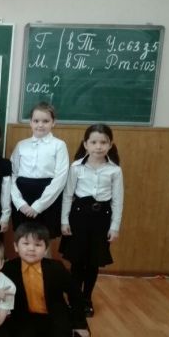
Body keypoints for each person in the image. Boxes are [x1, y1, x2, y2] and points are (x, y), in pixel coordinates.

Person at [3, 222, 90, 337]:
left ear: (46, 249)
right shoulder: (8, 269)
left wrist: (80, 325)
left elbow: (75, 294)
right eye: (26, 244)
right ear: (16, 247)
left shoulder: (56, 268)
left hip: (53, 317)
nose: (31, 249)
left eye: (38, 245)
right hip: (26, 318)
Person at [60, 123, 123, 317]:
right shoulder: (76, 167)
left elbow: (117, 200)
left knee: (93, 262)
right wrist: (64, 221)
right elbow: (68, 195)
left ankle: (87, 299)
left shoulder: (115, 170)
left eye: (103, 142)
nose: (98, 146)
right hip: (79, 217)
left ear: (110, 144)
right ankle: (74, 300)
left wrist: (114, 226)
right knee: (77, 262)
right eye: (94, 142)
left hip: (101, 219)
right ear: (85, 144)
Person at [10, 102, 69, 239]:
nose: (40, 125)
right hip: (23, 197)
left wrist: (39, 205)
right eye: (36, 121)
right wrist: (20, 203)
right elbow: (12, 175)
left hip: (48, 198)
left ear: (53, 122)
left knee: (44, 240)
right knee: (23, 239)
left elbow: (60, 178)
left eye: (45, 121)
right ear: (30, 122)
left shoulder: (59, 145)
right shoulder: (21, 145)